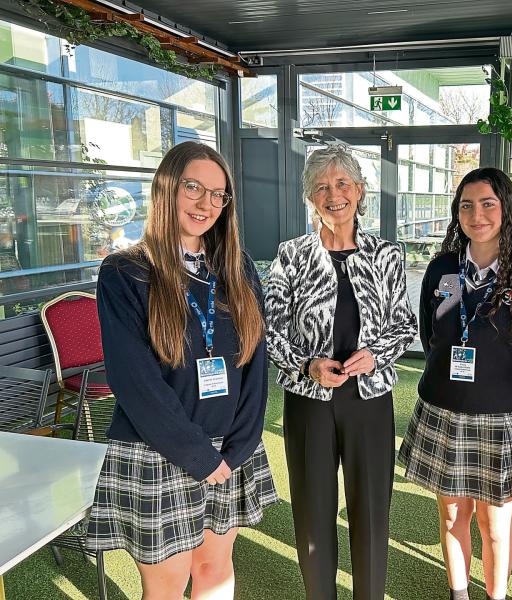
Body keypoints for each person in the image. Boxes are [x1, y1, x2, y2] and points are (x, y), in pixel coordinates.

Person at [86, 141, 278, 599]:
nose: (206, 203)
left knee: (214, 569)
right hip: (159, 452)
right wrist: (199, 457)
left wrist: (241, 446)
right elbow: (134, 383)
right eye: (193, 187)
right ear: (167, 188)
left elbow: (254, 365)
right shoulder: (125, 272)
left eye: (218, 194)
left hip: (230, 452)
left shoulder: (236, 268)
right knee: (168, 586)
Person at [399, 167, 512, 600]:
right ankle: (459, 593)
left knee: (496, 525)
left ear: (506, 209)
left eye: (488, 203)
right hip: (444, 411)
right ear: (457, 214)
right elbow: (431, 334)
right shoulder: (443, 270)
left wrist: (511, 394)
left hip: (502, 418)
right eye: (466, 205)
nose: (477, 214)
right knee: (453, 515)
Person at [264, 144, 417, 599]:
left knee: (371, 512)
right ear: (310, 198)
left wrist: (377, 353)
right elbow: (269, 328)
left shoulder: (387, 255)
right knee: (313, 512)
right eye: (322, 187)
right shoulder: (291, 255)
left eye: (342, 184)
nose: (333, 195)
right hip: (309, 402)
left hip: (369, 402)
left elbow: (405, 323)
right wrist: (305, 365)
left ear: (360, 190)